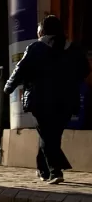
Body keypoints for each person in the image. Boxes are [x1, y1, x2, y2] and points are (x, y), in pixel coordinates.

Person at [5, 15, 91, 184]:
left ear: (42, 31)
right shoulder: (73, 49)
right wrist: (70, 81)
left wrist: (8, 87)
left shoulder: (36, 48)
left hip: (41, 100)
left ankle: (55, 171)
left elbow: (19, 70)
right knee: (51, 136)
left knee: (47, 136)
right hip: (66, 101)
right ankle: (43, 169)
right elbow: (85, 70)